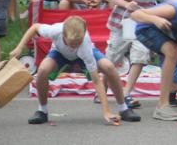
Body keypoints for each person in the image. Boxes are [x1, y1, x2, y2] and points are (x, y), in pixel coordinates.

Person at [10, 16, 140, 125]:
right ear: (63, 34)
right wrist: (19, 47)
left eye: (78, 42)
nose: (75, 46)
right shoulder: (55, 30)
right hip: (59, 54)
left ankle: (123, 108)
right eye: (72, 43)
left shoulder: (84, 46)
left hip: (82, 57)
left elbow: (96, 81)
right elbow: (34, 27)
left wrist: (106, 111)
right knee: (42, 70)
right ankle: (42, 111)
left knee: (109, 67)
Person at [105, 0, 171, 109]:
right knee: (113, 56)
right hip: (124, 20)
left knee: (140, 55)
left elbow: (164, 3)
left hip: (142, 21)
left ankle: (126, 93)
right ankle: (102, 88)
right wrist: (128, 4)